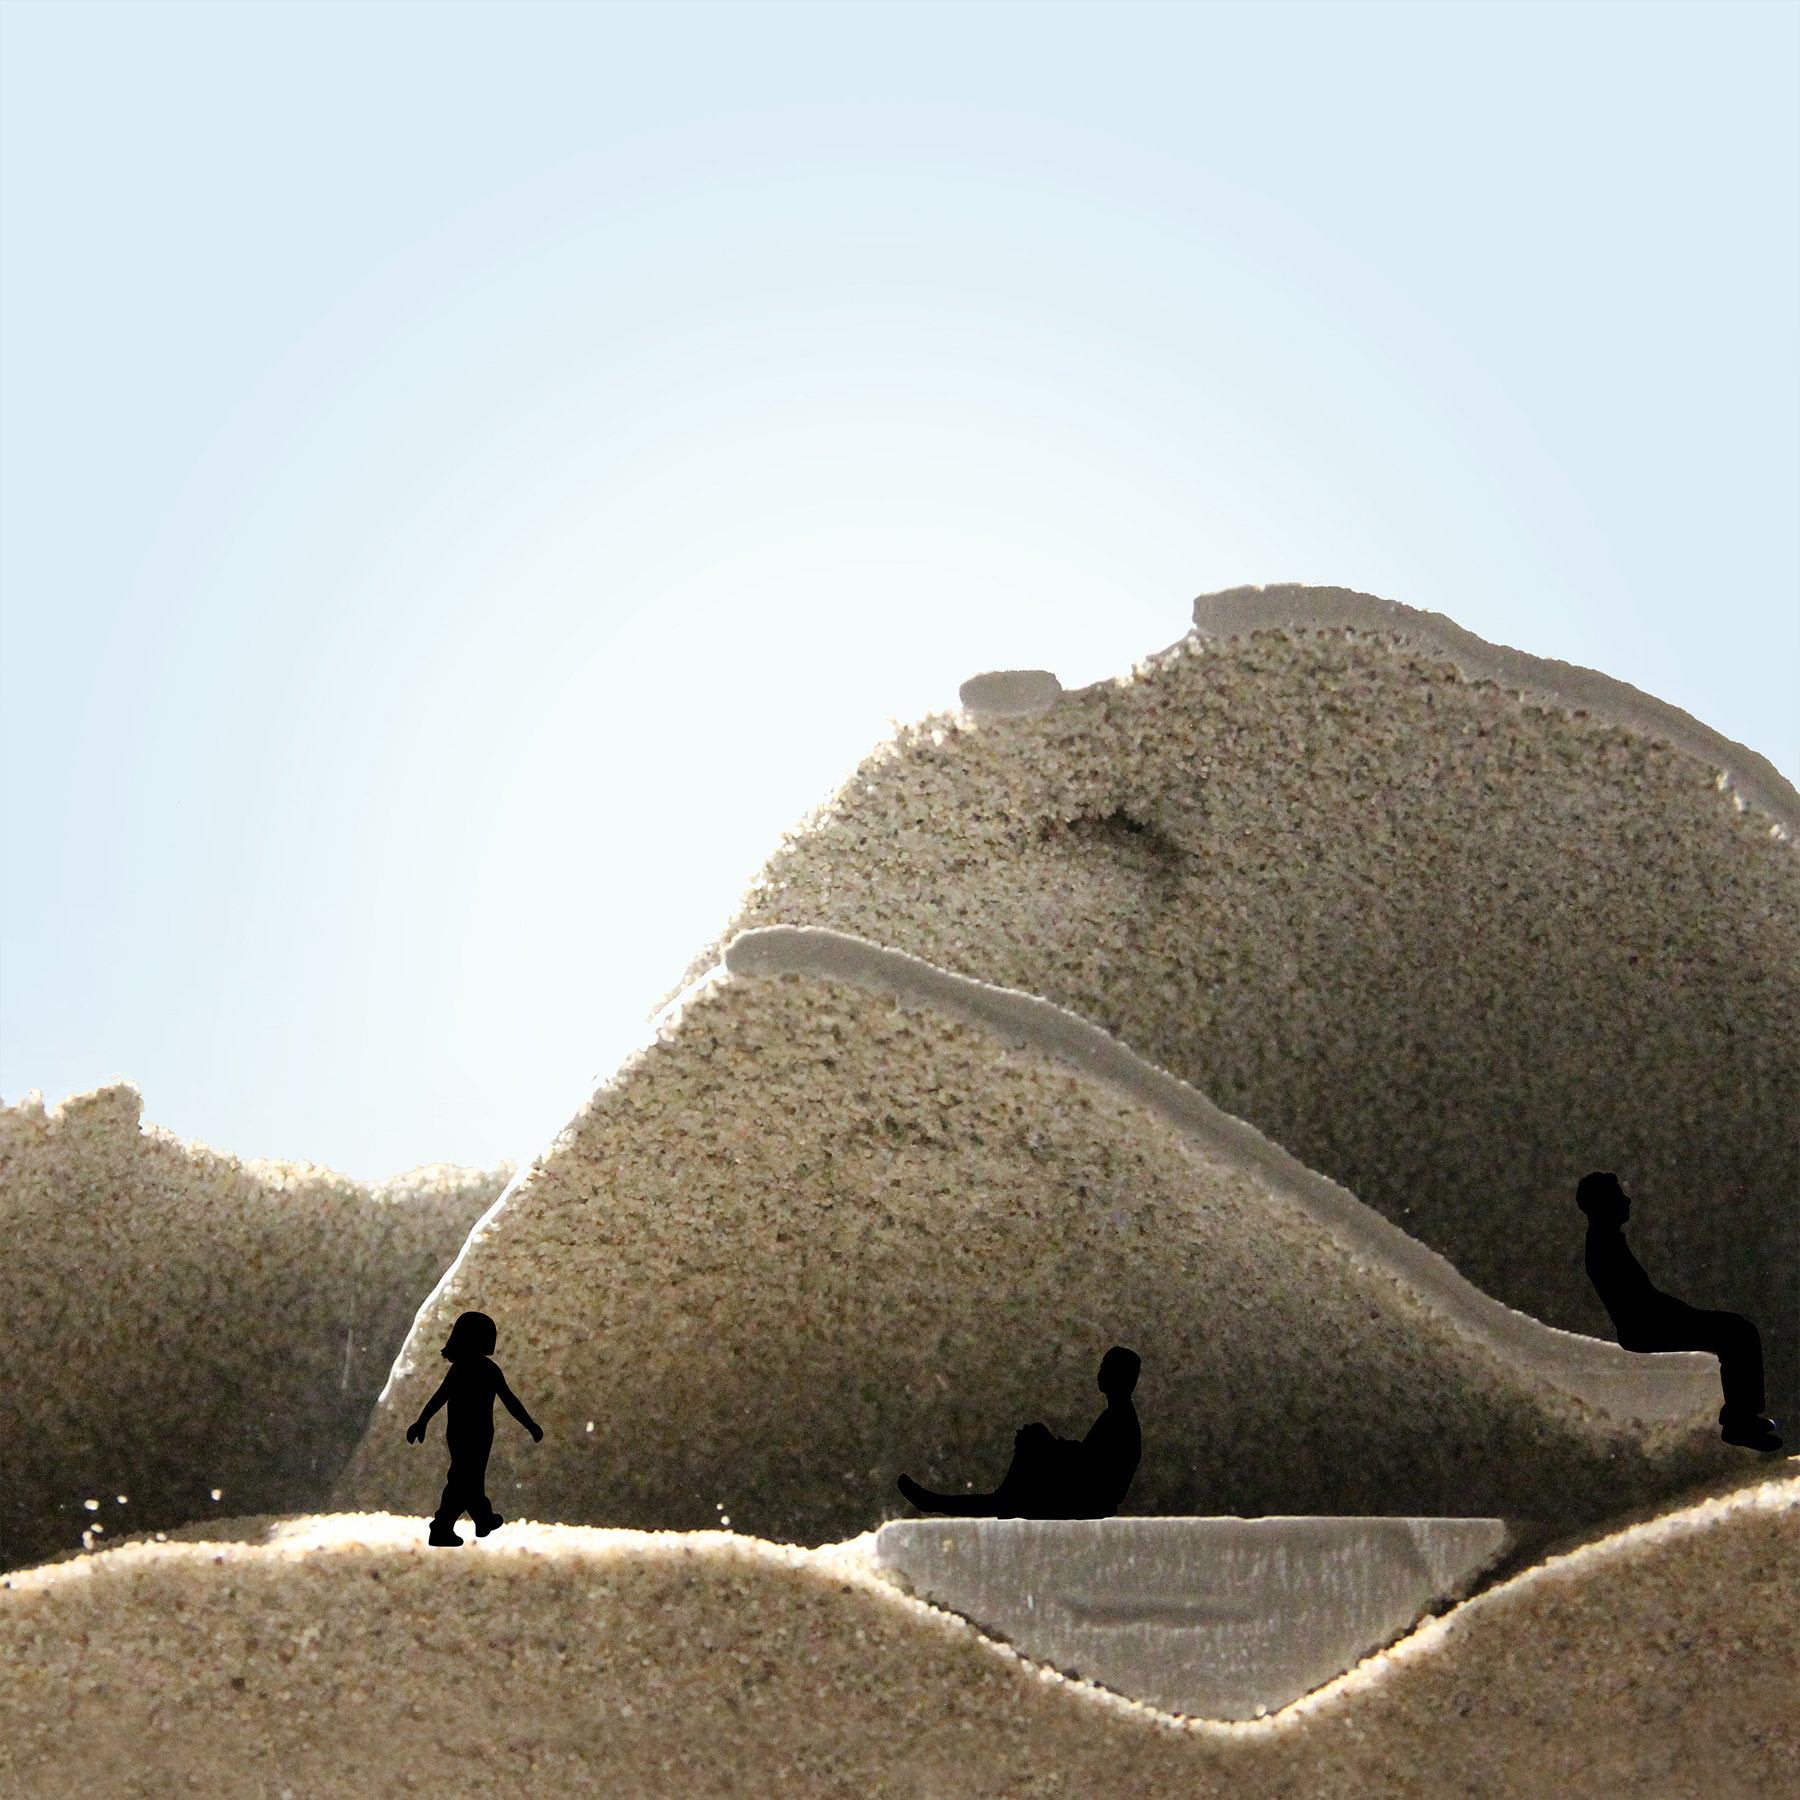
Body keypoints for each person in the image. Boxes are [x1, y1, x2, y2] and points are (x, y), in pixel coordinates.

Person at [1576, 1172, 1781, 1452]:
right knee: (1738, 1333)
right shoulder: (1605, 1246)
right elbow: (1641, 1302)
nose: (1627, 1200)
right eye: (1618, 1195)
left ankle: (1741, 1418)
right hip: (1646, 1328)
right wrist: (1683, 1314)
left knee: (1736, 1330)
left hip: (1650, 1323)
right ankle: (1739, 1422)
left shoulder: (1606, 1242)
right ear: (1604, 1204)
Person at [897, 1346, 1142, 1518]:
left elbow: (1092, 1468)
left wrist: (1049, 1446)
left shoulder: (1119, 1419)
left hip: (1090, 1498)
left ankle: (998, 1499)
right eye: (1102, 1367)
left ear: (1122, 1377)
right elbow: (1089, 1459)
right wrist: (1053, 1446)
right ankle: (1001, 1497)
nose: (1100, 1373)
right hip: (1088, 1491)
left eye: (1106, 1368)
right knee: (1035, 1437)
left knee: (1033, 1440)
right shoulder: (1116, 1415)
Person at [406, 1310, 544, 1545]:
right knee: (463, 1480)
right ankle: (445, 1526)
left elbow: (508, 1400)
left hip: (474, 1433)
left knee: (470, 1479)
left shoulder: (477, 1369)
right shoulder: (480, 1370)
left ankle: (481, 1519)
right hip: (469, 1434)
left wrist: (422, 1422)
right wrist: (421, 1422)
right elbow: (442, 1397)